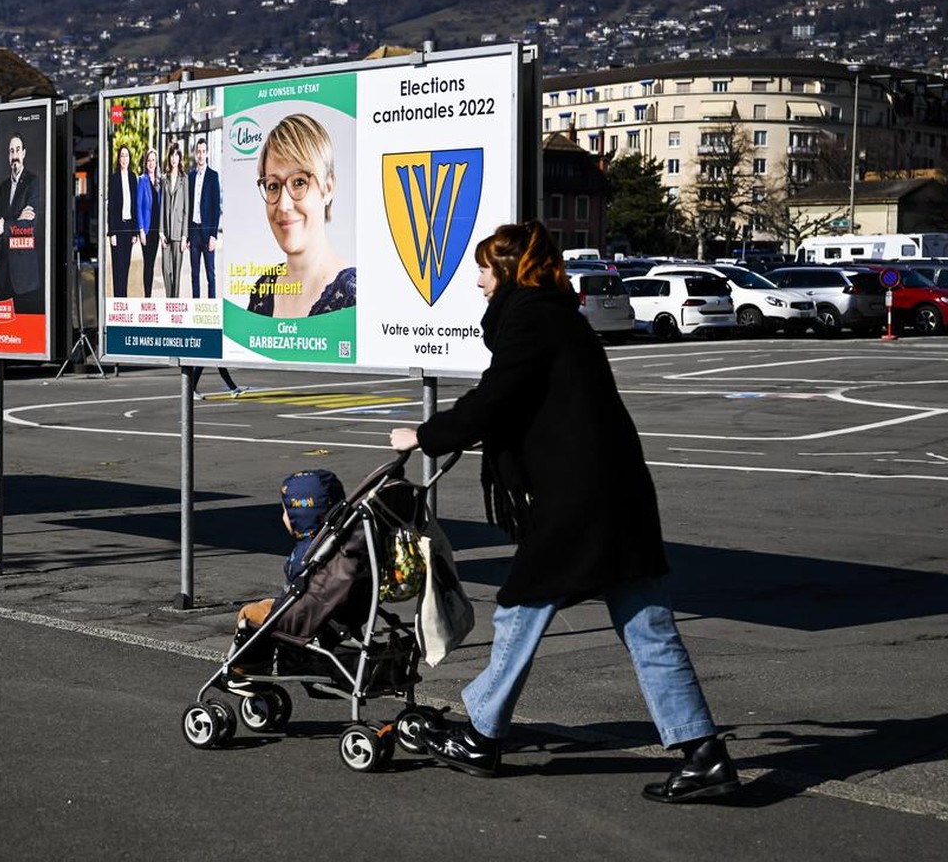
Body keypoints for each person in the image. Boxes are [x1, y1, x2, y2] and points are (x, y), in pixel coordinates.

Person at [388, 221, 739, 804]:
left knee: (521, 607)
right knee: (648, 627)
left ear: (506, 270)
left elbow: (495, 397)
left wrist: (423, 435)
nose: (476, 282)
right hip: (614, 493)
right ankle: (705, 756)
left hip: (581, 499)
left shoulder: (532, 319)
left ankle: (480, 735)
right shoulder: (558, 317)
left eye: (482, 269)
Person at [247, 113, 354, 318]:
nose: (284, 205)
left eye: (299, 182)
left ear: (328, 189)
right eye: (273, 186)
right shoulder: (263, 289)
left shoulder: (355, 299)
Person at [232, 470, 346, 631]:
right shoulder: (342, 544)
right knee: (266, 603)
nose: (284, 517)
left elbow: (299, 602)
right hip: (333, 615)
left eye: (287, 511)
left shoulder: (309, 554)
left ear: (299, 514)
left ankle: (248, 655)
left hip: (299, 619)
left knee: (249, 612)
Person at [0, 132, 43, 314]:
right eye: (11, 151)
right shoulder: (4, 187)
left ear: (24, 153)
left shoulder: (33, 183)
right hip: (4, 273)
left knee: (25, 331)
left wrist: (6, 226)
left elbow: (28, 227)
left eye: (18, 150)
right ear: (8, 156)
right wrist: (16, 220)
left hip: (24, 276)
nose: (15, 155)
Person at [187, 137, 222, 298]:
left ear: (207, 154)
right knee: (194, 275)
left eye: (203, 151)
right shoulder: (191, 176)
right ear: (195, 154)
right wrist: (187, 235)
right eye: (198, 152)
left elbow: (216, 208)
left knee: (210, 275)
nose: (200, 155)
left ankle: (211, 307)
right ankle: (196, 307)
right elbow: (188, 206)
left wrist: (214, 235)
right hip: (194, 232)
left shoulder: (213, 176)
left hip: (208, 234)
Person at [106, 144, 139, 297]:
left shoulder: (133, 178)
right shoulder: (113, 178)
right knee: (117, 267)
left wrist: (135, 232)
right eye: (122, 156)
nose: (124, 158)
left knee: (126, 266)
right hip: (117, 230)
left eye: (127, 155)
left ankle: (123, 300)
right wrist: (111, 232)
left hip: (129, 228)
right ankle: (117, 299)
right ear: (118, 159)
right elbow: (111, 207)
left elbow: (135, 206)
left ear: (129, 158)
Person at [159, 143, 189, 297]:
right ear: (169, 157)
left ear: (180, 158)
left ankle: (174, 302)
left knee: (176, 271)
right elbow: (162, 206)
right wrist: (161, 232)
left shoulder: (185, 179)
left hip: (178, 232)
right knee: (165, 269)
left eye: (177, 155)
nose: (174, 158)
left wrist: (185, 236)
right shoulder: (164, 178)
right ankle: (169, 299)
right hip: (166, 232)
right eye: (172, 155)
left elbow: (186, 210)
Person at [135, 147, 162, 297]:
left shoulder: (160, 181)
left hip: (157, 230)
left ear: (156, 163)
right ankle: (147, 296)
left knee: (152, 263)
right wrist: (140, 230)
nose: (151, 163)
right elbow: (138, 206)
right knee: (148, 263)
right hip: (146, 230)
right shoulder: (142, 180)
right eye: (149, 160)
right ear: (145, 163)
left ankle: (149, 295)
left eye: (153, 160)